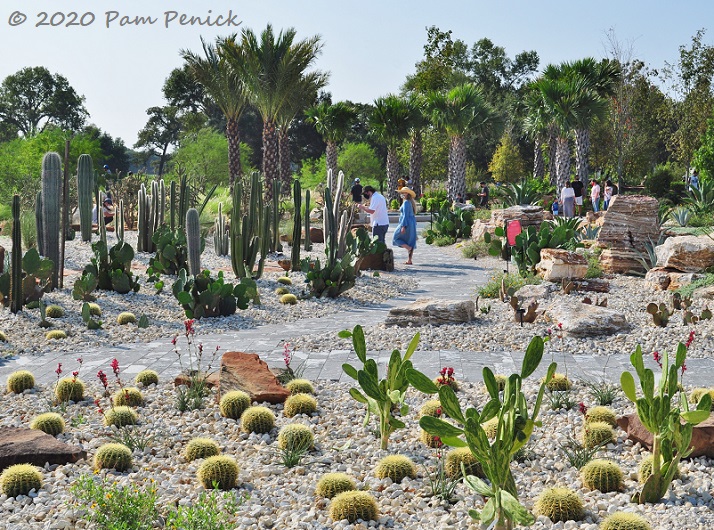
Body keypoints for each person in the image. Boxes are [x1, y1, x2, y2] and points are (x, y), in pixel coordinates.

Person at [392, 187, 417, 264]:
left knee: (395, 238)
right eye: (402, 192)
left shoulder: (406, 203)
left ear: (407, 194)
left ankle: (408, 248)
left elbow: (405, 215)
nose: (402, 194)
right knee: (411, 240)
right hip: (411, 223)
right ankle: (409, 260)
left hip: (406, 223)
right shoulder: (410, 202)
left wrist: (403, 226)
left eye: (404, 192)